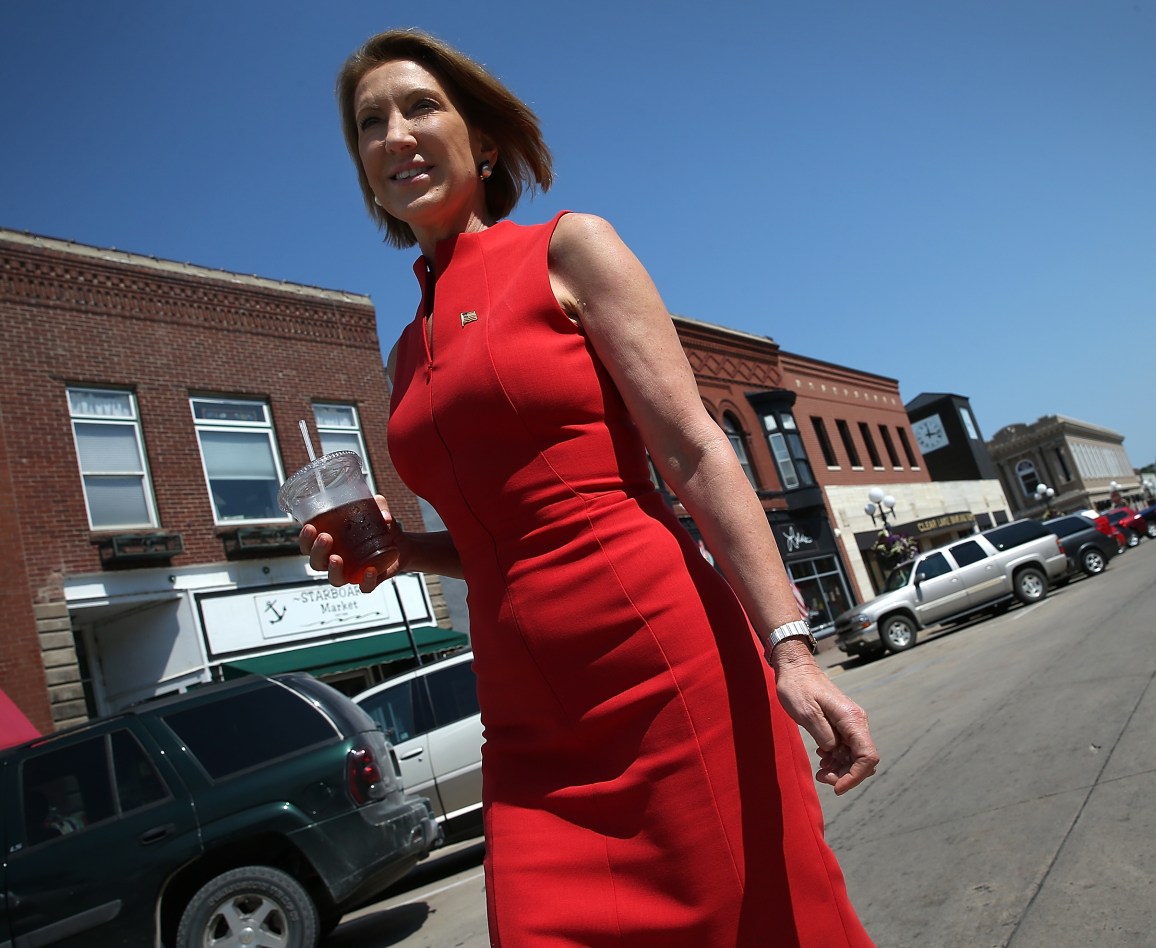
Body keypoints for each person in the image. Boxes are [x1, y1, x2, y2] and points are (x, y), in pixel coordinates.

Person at [311, 29, 878, 946]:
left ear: (484, 141)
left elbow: (694, 449)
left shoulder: (569, 249)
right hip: (528, 726)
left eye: (420, 106)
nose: (393, 133)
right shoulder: (405, 352)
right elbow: (508, 539)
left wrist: (793, 649)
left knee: (764, 923)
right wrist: (406, 548)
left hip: (659, 668)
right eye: (368, 122)